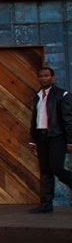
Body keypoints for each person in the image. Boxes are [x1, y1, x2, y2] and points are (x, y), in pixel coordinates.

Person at [28, 67, 72, 213]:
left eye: (46, 76)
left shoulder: (63, 95)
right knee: (45, 170)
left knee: (56, 168)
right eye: (41, 76)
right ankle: (46, 204)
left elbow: (68, 120)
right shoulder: (38, 96)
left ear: (53, 78)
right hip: (41, 137)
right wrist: (33, 139)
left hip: (57, 136)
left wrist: (70, 141)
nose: (43, 78)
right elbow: (35, 119)